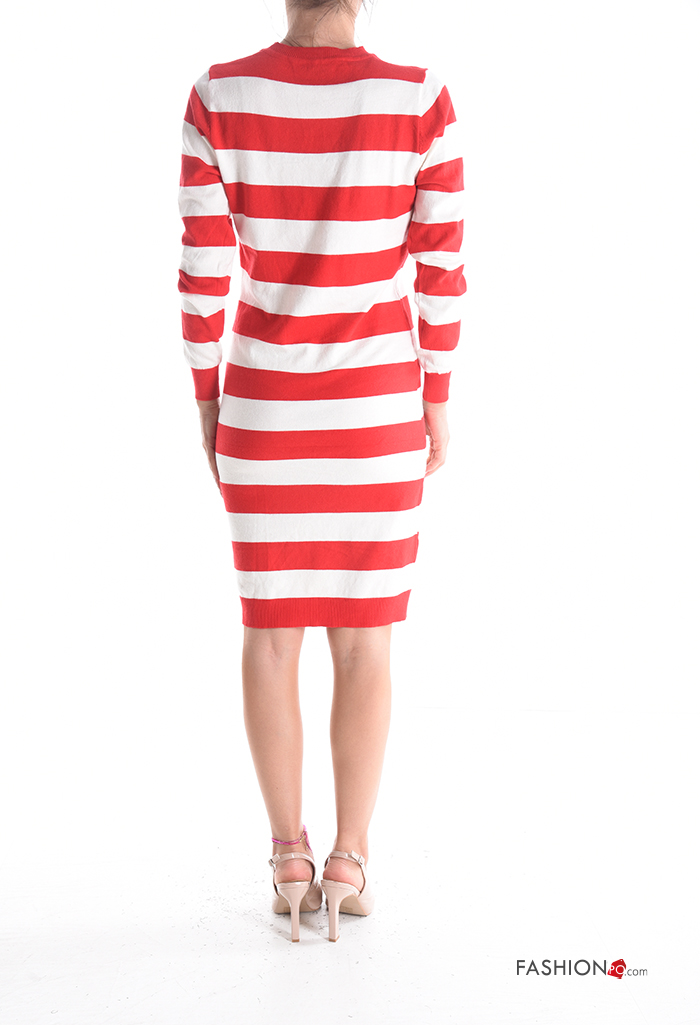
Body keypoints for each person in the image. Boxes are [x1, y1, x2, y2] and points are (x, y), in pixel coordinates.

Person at [178, 0, 465, 942]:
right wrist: (436, 396)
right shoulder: (419, 97)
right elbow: (442, 269)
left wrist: (209, 397)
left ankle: (286, 857)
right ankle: (349, 856)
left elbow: (201, 270)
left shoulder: (219, 94)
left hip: (265, 402)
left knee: (270, 635)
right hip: (376, 406)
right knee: (364, 641)